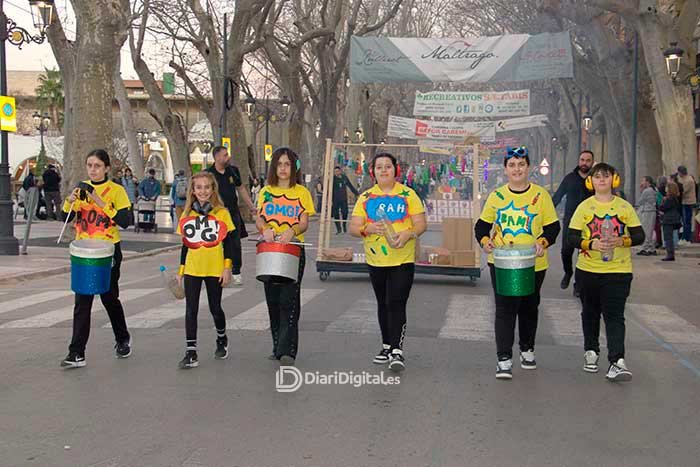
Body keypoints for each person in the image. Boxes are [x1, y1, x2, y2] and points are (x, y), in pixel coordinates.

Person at [475, 146, 560, 380]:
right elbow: (482, 226)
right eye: (512, 165)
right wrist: (485, 241)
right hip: (501, 262)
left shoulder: (541, 196)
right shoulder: (497, 196)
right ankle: (503, 358)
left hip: (533, 263)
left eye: (521, 164)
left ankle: (527, 348)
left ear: (528, 167)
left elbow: (553, 227)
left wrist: (543, 241)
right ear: (505, 169)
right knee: (505, 308)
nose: (517, 169)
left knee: (529, 307)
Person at [567, 163, 645, 382]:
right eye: (597, 176)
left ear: (614, 179)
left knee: (614, 315)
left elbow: (640, 236)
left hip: (618, 271)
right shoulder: (584, 207)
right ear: (590, 181)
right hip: (588, 270)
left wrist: (622, 240)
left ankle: (617, 361)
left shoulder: (624, 207)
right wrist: (591, 244)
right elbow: (571, 237)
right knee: (590, 313)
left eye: (606, 176)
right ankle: (591, 351)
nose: (602, 180)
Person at [349, 152, 426, 373]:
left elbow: (421, 224)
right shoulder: (365, 198)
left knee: (397, 302)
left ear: (396, 170)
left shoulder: (408, 195)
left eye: (388, 166)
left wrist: (409, 233)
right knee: (382, 303)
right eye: (379, 167)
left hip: (402, 258)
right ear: (373, 172)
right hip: (376, 259)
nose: (384, 170)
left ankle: (397, 350)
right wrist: (368, 228)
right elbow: (353, 228)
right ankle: (386, 345)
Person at [60, 149, 133, 368]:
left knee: (109, 298)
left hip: (108, 251)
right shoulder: (81, 189)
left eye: (98, 166)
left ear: (106, 168)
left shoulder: (116, 190)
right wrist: (69, 201)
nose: (93, 170)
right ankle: (76, 353)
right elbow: (64, 217)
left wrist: (99, 201)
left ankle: (122, 338)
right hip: (84, 251)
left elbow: (125, 220)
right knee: (82, 301)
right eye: (90, 165)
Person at [256, 147, 315, 366]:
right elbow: (260, 218)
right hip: (269, 250)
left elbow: (304, 222)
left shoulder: (302, 193)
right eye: (279, 164)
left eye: (287, 164)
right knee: (272, 299)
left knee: (288, 300)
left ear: (294, 168)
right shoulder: (265, 192)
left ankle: (288, 349)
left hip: (293, 250)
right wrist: (265, 230)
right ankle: (277, 345)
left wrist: (293, 231)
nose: (283, 168)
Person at [175, 172, 236, 369]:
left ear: (212, 189)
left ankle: (222, 338)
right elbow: (185, 245)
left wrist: (227, 268)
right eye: (199, 187)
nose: (203, 191)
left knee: (215, 308)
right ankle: (191, 352)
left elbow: (229, 244)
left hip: (214, 268)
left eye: (207, 187)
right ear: (193, 191)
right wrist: (181, 271)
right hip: (193, 268)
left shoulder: (222, 213)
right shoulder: (187, 215)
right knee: (190, 309)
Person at [208, 146, 255, 286]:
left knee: (235, 243)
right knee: (216, 243)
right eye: (224, 155)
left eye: (227, 154)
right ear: (216, 157)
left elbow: (241, 189)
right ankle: (217, 271)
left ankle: (236, 271)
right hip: (216, 214)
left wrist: (251, 207)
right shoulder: (209, 174)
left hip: (233, 213)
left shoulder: (233, 171)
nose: (227, 157)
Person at [552, 150, 593, 292]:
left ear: (592, 162)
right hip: (570, 221)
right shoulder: (569, 178)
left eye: (588, 160)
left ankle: (578, 284)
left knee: (585, 254)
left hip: (590, 223)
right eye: (582, 160)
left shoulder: (595, 179)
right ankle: (568, 272)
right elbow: (557, 196)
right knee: (566, 251)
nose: (584, 163)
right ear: (579, 161)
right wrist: (547, 213)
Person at [332, 166, 359, 234]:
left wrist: (357, 194)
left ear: (340, 171)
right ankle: (338, 228)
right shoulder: (333, 179)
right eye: (335, 172)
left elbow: (350, 186)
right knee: (336, 214)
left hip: (343, 198)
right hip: (335, 199)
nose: (336, 173)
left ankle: (344, 225)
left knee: (345, 212)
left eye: (337, 171)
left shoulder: (344, 178)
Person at [659, 181, 682, 261]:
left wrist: (662, 202)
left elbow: (663, 208)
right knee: (670, 237)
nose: (665, 189)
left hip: (669, 219)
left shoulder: (669, 199)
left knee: (668, 237)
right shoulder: (675, 198)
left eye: (667, 187)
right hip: (673, 218)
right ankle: (670, 254)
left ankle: (670, 254)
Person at [636, 176, 658, 256]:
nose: (641, 182)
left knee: (646, 230)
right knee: (650, 230)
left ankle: (646, 248)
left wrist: (641, 190)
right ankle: (651, 248)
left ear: (647, 182)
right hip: (652, 211)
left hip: (648, 211)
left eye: (643, 181)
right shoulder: (653, 189)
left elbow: (640, 201)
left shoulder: (647, 191)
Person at [677, 165, 697, 244]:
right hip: (685, 202)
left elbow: (683, 191)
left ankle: (687, 238)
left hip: (688, 202)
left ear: (681, 172)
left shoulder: (688, 180)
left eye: (678, 172)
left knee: (686, 221)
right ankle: (684, 237)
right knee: (685, 221)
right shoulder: (684, 179)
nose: (678, 174)